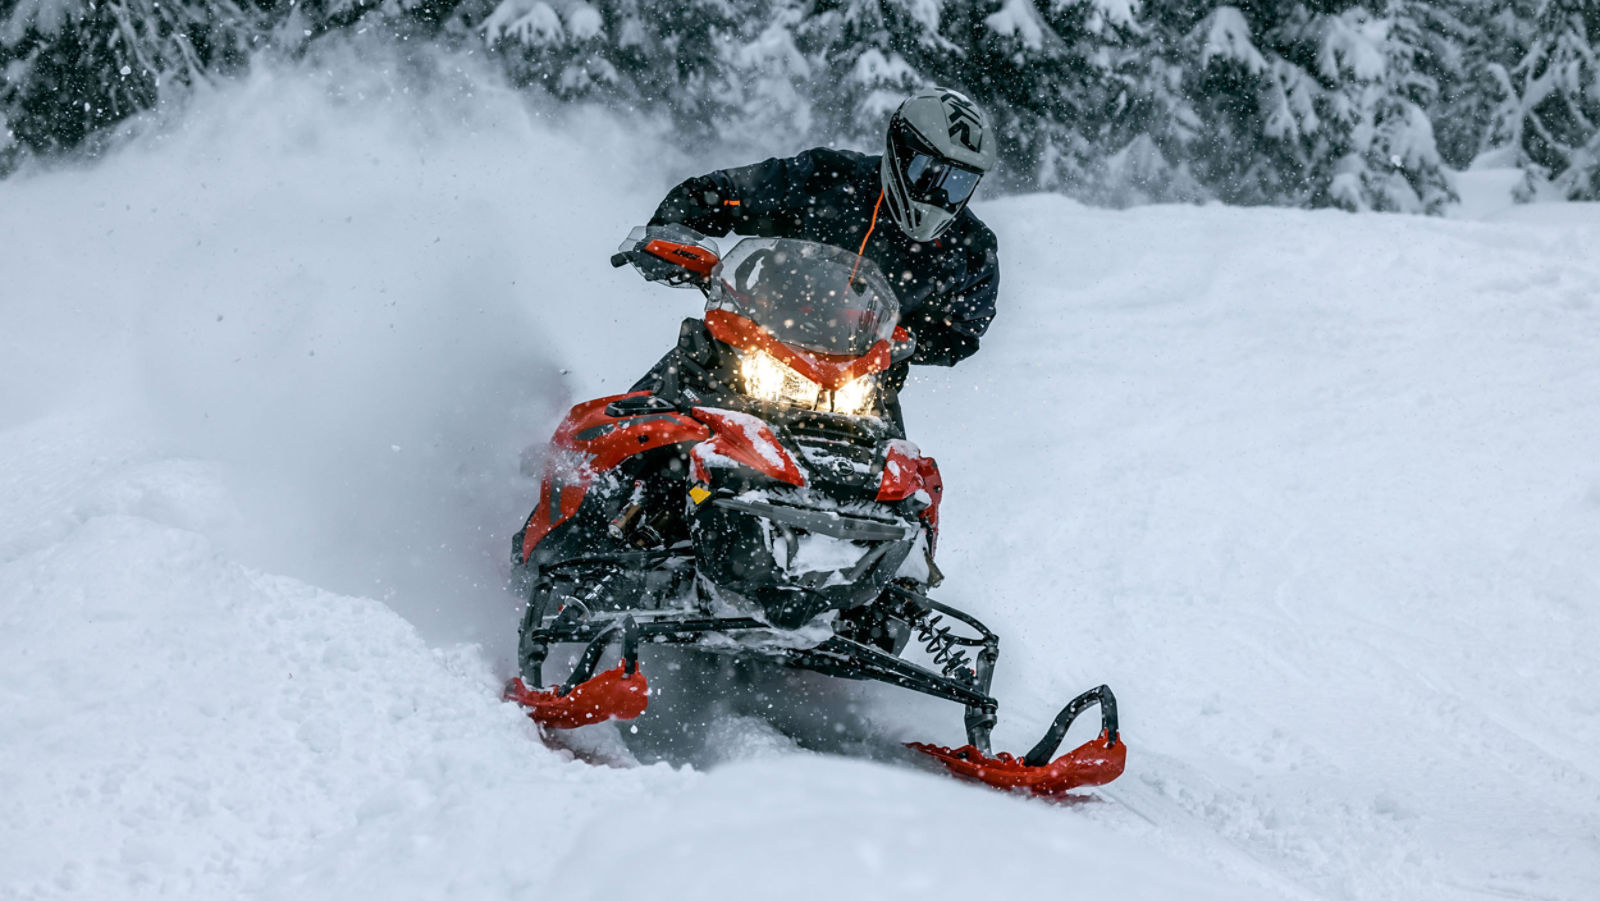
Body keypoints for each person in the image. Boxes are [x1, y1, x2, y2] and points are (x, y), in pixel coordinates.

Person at [631, 87, 1000, 424]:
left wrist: (909, 339)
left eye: (958, 183)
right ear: (901, 152)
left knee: (905, 486)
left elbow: (963, 332)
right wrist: (673, 233)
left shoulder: (971, 248)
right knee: (643, 421)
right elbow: (724, 192)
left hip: (859, 388)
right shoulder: (828, 178)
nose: (940, 194)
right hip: (750, 354)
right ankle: (586, 475)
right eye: (930, 173)